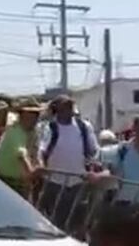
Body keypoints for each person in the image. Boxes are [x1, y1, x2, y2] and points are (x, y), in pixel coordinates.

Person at [38, 95, 99, 232]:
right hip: (54, 181)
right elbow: (42, 150)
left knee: (78, 222)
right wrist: (42, 166)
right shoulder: (50, 128)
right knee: (55, 220)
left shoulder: (84, 126)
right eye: (65, 106)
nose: (69, 109)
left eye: (70, 106)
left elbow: (94, 150)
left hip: (79, 181)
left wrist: (92, 168)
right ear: (57, 109)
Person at [0, 101, 42, 196]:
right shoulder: (14, 131)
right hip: (3, 180)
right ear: (22, 115)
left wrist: (39, 165)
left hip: (21, 183)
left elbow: (35, 151)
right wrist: (30, 171)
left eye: (36, 114)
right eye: (31, 114)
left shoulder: (33, 132)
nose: (35, 118)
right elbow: (21, 154)